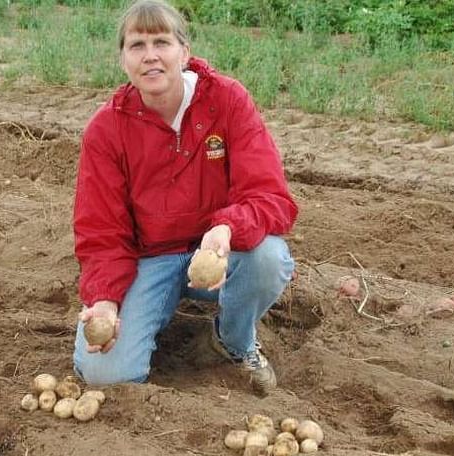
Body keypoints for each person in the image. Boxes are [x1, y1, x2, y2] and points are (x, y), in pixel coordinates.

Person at [72, 0, 298, 395]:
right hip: (150, 259)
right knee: (104, 374)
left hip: (218, 255)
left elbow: (270, 196)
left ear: (184, 52)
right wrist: (105, 300)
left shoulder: (227, 101)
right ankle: (149, 307)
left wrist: (226, 227)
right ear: (123, 58)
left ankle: (232, 340)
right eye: (137, 45)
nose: (151, 56)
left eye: (162, 42)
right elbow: (101, 232)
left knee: (269, 257)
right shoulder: (105, 130)